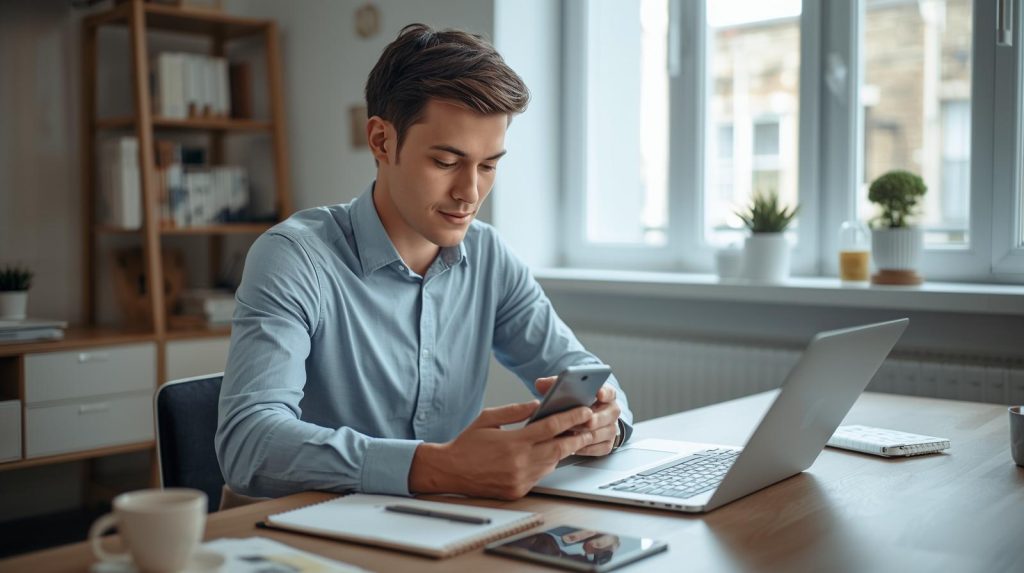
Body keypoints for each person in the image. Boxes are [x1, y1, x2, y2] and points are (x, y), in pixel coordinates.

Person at [215, 23, 633, 501]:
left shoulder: (490, 256)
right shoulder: (293, 258)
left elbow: (582, 372)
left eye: (489, 165)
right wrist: (436, 468)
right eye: (446, 162)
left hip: (443, 528)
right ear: (381, 141)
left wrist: (605, 426)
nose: (470, 193)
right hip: (312, 535)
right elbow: (247, 445)